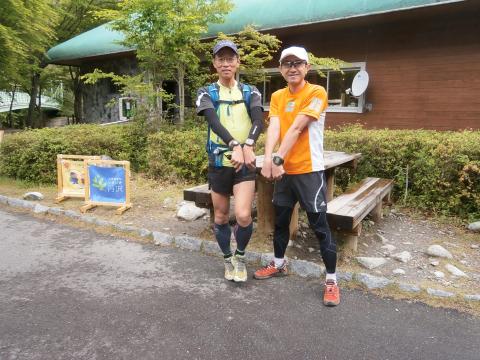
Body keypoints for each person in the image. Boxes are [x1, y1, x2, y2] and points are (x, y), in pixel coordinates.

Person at [253, 46, 340, 306]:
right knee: (281, 221)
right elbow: (276, 127)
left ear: (307, 67)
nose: (292, 67)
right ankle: (279, 264)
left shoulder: (316, 92)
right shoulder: (278, 95)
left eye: (298, 63)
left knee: (319, 226)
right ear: (280, 69)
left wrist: (276, 159)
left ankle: (332, 280)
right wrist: (268, 159)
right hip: (285, 174)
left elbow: (299, 128)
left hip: (309, 171)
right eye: (287, 63)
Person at [195, 40, 263, 282]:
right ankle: (227, 258)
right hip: (218, 162)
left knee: (244, 216)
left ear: (237, 62)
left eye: (230, 58)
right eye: (220, 59)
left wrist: (248, 145)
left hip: (244, 162)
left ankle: (241, 257)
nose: (225, 63)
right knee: (222, 217)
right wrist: (234, 144)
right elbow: (213, 121)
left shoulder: (250, 91)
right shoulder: (206, 92)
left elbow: (258, 120)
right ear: (214, 63)